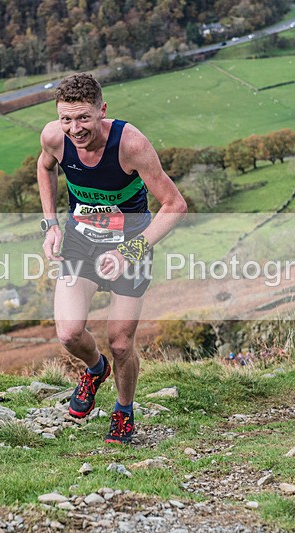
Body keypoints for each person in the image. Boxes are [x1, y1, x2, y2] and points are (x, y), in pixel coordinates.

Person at [36, 73, 187, 444]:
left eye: (84, 118)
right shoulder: (54, 137)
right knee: (69, 333)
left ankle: (123, 410)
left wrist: (131, 251)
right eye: (66, 119)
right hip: (80, 243)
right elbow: (44, 167)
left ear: (102, 111)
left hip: (131, 244)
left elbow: (175, 205)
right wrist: (50, 225)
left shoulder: (130, 144)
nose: (75, 128)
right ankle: (94, 368)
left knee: (121, 342)